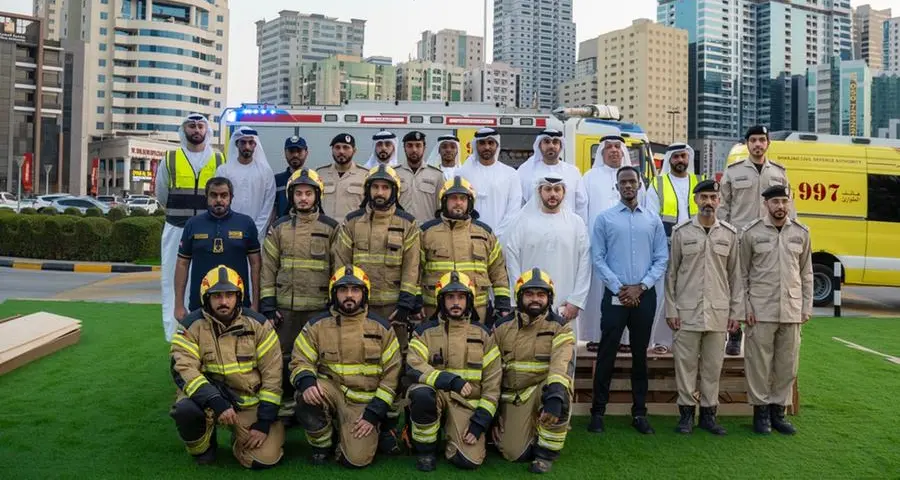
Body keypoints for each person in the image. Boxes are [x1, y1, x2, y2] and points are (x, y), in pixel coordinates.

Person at [332, 164, 420, 452]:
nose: (379, 193)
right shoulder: (352, 222)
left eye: (385, 188)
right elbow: (341, 263)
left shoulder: (408, 224)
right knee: (361, 361)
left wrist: (406, 302)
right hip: (359, 310)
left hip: (394, 310)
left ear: (394, 191)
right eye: (375, 187)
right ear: (368, 190)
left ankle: (390, 428)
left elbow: (412, 266)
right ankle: (354, 419)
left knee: (396, 365)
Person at [169, 265, 284, 468]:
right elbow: (183, 368)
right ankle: (204, 449)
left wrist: (264, 422)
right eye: (217, 296)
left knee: (262, 460)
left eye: (229, 295)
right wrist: (215, 401)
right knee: (185, 409)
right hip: (207, 403)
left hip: (247, 403)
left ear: (238, 296)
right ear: (206, 298)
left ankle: (241, 437)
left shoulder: (259, 325)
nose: (223, 302)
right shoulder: (190, 326)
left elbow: (273, 377)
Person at [289, 266, 401, 468]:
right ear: (334, 294)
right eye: (343, 290)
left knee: (356, 460)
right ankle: (322, 446)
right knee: (304, 395)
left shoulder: (382, 329)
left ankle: (357, 432)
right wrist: (306, 382)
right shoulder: (316, 326)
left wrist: (372, 414)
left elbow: (392, 377)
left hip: (365, 404)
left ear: (364, 294)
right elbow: (299, 360)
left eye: (355, 290)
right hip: (332, 393)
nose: (349, 295)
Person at [588, 166, 668, 435]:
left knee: (640, 356)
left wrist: (641, 287)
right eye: (623, 182)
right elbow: (597, 258)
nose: (628, 186)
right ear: (617, 186)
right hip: (616, 295)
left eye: (632, 181)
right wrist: (620, 287)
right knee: (607, 353)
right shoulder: (605, 219)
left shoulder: (652, 219)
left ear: (639, 184)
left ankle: (639, 412)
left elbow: (661, 258)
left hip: (644, 296)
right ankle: (598, 412)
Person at [665, 179, 744, 436]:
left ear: (719, 201)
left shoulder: (730, 235)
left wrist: (736, 313)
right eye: (704, 197)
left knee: (712, 367)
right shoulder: (681, 232)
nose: (709, 202)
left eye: (713, 197)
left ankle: (709, 415)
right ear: (695, 200)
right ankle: (686, 414)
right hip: (687, 311)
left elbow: (736, 277)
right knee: (685, 365)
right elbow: (671, 275)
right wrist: (671, 309)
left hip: (718, 312)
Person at [260, 168, 338, 420]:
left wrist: (333, 307)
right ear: (291, 197)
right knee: (281, 359)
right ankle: (284, 409)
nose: (303, 198)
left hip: (318, 310)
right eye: (298, 194)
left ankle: (316, 407)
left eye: (308, 194)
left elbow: (338, 268)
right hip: (285, 310)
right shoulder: (279, 227)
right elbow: (268, 267)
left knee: (318, 360)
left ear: (318, 196)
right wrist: (269, 306)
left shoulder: (331, 228)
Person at [406, 271, 502, 472]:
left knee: (468, 461)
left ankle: (454, 438)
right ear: (441, 300)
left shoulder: (484, 335)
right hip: (437, 396)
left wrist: (479, 423)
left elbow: (493, 386)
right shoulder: (424, 332)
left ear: (470, 300)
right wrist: (449, 380)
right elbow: (413, 366)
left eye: (461, 297)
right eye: (450, 297)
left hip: (467, 405)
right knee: (421, 393)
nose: (455, 302)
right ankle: (426, 451)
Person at [740, 185, 812, 435]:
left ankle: (778, 412)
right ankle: (760, 413)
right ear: (766, 205)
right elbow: (742, 274)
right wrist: (745, 306)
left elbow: (806, 273)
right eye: (775, 202)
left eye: (784, 201)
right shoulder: (751, 233)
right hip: (760, 308)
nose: (780, 207)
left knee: (787, 364)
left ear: (789, 203)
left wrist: (806, 305)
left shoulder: (801, 233)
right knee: (759, 364)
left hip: (791, 308)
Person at [492, 268, 575, 474]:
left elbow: (560, 363)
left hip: (543, 391)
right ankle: (531, 430)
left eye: (541, 294)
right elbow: (491, 371)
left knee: (561, 391)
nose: (535, 299)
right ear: (519, 297)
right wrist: (492, 415)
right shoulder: (501, 328)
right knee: (514, 454)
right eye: (529, 294)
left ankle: (546, 453)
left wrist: (555, 396)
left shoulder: (560, 327)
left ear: (549, 298)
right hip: (513, 397)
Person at [718, 125, 791, 356]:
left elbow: (788, 208)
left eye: (761, 140)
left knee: (763, 285)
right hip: (740, 239)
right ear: (747, 144)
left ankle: (762, 328)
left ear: (768, 143)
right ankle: (735, 331)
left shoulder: (779, 173)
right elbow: (723, 208)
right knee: (736, 285)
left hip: (769, 240)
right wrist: (724, 236)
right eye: (753, 140)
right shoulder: (733, 172)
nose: (758, 144)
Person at [157, 113, 225, 341]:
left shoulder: (218, 159)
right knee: (173, 282)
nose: (196, 130)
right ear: (183, 130)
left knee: (209, 281)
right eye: (191, 126)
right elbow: (162, 194)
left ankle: (207, 336)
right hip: (176, 229)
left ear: (207, 130)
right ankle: (176, 337)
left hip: (208, 230)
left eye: (200, 126)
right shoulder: (170, 158)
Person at [503, 177, 591, 342]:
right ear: (539, 191)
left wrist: (576, 301)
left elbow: (585, 264)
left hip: (565, 306)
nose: (553, 194)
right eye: (548, 189)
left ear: (564, 193)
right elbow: (512, 259)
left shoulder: (576, 223)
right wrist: (519, 297)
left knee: (564, 354)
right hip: (531, 303)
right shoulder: (523, 222)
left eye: (557, 190)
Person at [420, 176, 511, 325]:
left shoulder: (485, 233)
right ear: (444, 202)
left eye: (463, 198)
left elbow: (498, 271)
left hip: (476, 311)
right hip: (434, 309)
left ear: (470, 203)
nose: (458, 203)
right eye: (453, 198)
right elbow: (415, 270)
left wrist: (502, 304)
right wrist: (416, 302)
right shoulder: (426, 232)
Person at [644, 143, 706, 352]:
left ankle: (691, 341)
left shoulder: (699, 181)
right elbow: (652, 218)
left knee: (695, 292)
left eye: (684, 156)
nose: (680, 160)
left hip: (696, 246)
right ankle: (662, 341)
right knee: (665, 294)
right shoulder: (658, 183)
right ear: (669, 159)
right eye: (676, 157)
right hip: (666, 246)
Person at [580, 135, 640, 349]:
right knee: (598, 292)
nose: (614, 150)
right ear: (601, 153)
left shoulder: (633, 177)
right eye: (609, 147)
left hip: (627, 246)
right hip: (598, 246)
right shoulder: (589, 177)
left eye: (618, 147)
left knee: (625, 289)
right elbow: (581, 210)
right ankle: (597, 337)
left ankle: (624, 340)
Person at [175, 177, 260, 322]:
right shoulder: (192, 224)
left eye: (224, 195)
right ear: (206, 197)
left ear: (231, 197)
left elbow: (256, 265)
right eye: (214, 195)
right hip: (200, 305)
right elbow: (182, 264)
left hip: (238, 305)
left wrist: (256, 304)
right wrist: (178, 305)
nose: (219, 200)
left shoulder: (246, 224)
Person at [455, 127, 522, 238]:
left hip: (500, 237)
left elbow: (514, 209)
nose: (487, 147)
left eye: (491, 143)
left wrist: (497, 234)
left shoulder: (510, 174)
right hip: (468, 237)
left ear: (497, 145)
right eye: (482, 143)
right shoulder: (462, 173)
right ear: (476, 145)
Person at [516, 129, 588, 222]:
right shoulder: (525, 170)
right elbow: (519, 203)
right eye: (546, 142)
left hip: (566, 228)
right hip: (534, 229)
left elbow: (581, 205)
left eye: (555, 142)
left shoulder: (573, 172)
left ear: (560, 146)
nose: (551, 146)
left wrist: (582, 228)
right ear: (539, 145)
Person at [317, 133, 368, 221]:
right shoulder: (320, 174)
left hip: (352, 231)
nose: (341, 151)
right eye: (337, 147)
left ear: (354, 150)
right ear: (332, 150)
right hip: (326, 230)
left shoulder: (365, 175)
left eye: (346, 147)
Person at [396, 130, 444, 224]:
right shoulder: (394, 173)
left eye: (418, 145)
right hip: (400, 228)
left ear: (424, 148)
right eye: (409, 145)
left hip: (427, 229)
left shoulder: (437, 175)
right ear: (404, 148)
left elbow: (441, 207)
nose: (414, 149)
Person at [273, 135, 308, 219]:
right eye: (291, 151)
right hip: (282, 229)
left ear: (306, 153)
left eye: (299, 151)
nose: (295, 154)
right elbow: (272, 209)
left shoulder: (314, 179)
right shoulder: (276, 180)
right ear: (285, 153)